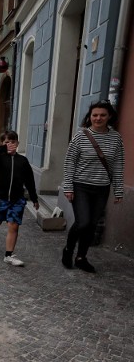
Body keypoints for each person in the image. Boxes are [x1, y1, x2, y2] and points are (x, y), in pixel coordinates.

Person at [62, 100, 124, 273]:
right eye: (94, 115)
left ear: (109, 116)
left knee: (92, 224)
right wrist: (68, 187)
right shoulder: (81, 136)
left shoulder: (116, 138)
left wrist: (118, 190)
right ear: (89, 117)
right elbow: (69, 162)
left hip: (101, 188)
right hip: (81, 186)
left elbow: (118, 164)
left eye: (102, 115)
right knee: (83, 222)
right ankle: (68, 250)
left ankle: (81, 257)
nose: (98, 118)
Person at [0, 131, 39, 267]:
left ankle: (8, 255)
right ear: (2, 144)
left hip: (17, 199)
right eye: (7, 142)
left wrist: (34, 198)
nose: (10, 145)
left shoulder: (23, 161)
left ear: (18, 143)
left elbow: (30, 180)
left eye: (13, 142)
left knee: (14, 225)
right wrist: (2, 149)